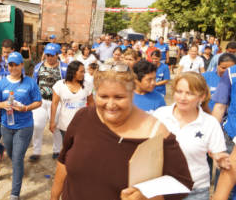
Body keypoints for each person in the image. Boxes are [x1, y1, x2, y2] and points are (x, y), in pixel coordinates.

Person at [50, 62, 194, 200]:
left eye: (119, 97)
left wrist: (148, 196)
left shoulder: (155, 132)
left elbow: (183, 183)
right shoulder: (83, 117)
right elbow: (63, 162)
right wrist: (54, 197)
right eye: (103, 96)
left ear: (132, 94)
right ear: (95, 93)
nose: (111, 105)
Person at [153, 72, 230, 199]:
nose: (182, 98)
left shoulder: (210, 123)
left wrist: (220, 160)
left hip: (195, 192)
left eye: (189, 93)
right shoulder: (160, 115)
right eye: (179, 91)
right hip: (160, 190)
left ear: (202, 96)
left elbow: (219, 156)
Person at [0, 52, 42, 200]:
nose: (13, 67)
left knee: (18, 157)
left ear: (21, 65)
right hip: (6, 126)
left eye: (16, 64)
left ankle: (15, 194)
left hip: (24, 126)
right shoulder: (2, 82)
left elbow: (38, 102)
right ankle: (18, 170)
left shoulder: (30, 82)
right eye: (10, 65)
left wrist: (25, 108)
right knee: (12, 155)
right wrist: (3, 105)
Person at [31, 44, 68, 161]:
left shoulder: (64, 68)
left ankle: (57, 150)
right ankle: (36, 151)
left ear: (57, 55)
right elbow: (33, 83)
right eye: (47, 55)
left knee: (56, 126)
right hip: (41, 101)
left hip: (56, 102)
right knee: (37, 126)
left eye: (52, 55)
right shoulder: (39, 67)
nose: (49, 57)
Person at [49, 61, 94, 139]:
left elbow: (91, 103)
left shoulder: (87, 85)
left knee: (80, 149)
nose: (84, 74)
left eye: (84, 71)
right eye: (81, 71)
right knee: (68, 149)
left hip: (83, 124)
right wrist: (52, 121)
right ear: (73, 72)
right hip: (65, 124)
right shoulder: (59, 85)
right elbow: (54, 104)